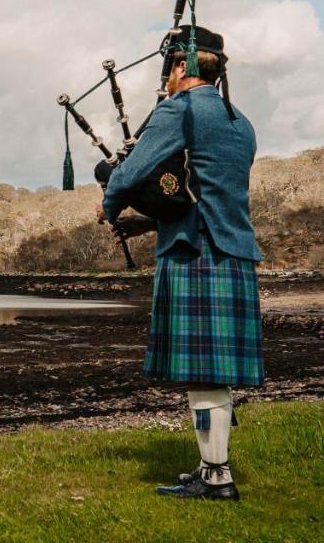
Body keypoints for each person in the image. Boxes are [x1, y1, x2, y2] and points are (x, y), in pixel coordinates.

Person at [96, 25, 262, 501]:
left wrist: (109, 201)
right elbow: (203, 192)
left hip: (197, 255)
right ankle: (213, 467)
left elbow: (130, 172)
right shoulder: (241, 122)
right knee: (213, 371)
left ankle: (217, 479)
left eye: (167, 69)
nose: (165, 80)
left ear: (180, 67)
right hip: (232, 251)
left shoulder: (180, 109)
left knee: (203, 372)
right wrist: (147, 226)